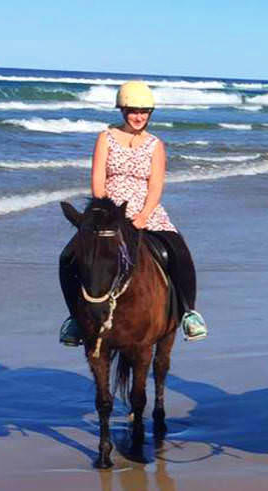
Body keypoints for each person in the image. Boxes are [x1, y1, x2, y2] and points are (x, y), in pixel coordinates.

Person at [58, 81, 207, 346]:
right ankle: (75, 320)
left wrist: (143, 216)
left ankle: (188, 313)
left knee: (178, 251)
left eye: (144, 111)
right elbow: (98, 180)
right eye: (133, 111)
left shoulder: (155, 145)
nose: (138, 116)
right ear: (123, 111)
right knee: (68, 256)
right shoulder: (105, 138)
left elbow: (156, 185)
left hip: (145, 211)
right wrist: (103, 213)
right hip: (108, 213)